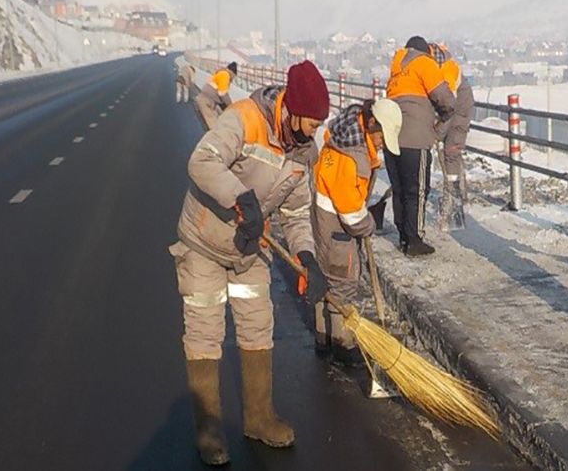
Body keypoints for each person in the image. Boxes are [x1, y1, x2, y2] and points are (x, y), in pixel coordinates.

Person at [169, 60, 330, 466]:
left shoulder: (303, 153)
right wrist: (241, 197)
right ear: (292, 110)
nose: (314, 133)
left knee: (258, 325)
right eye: (311, 123)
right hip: (204, 241)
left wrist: (307, 256)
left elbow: (295, 214)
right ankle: (208, 430)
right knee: (205, 330)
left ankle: (259, 417)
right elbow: (201, 162)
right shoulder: (243, 118)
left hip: (249, 248)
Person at [311, 98, 402, 366]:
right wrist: (368, 224)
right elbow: (351, 214)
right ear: (373, 125)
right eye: (383, 138)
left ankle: (323, 338)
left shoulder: (345, 137)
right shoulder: (354, 158)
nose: (384, 144)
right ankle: (342, 345)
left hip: (323, 217)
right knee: (343, 282)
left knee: (324, 278)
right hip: (337, 226)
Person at [385, 36, 456, 256]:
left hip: (391, 137)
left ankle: (404, 237)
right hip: (416, 138)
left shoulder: (396, 69)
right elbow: (446, 100)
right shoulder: (424, 63)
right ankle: (415, 239)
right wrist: (441, 122)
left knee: (400, 189)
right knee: (417, 189)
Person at [430, 43, 474, 231]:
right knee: (448, 153)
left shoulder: (448, 71)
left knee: (451, 152)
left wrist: (436, 133)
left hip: (460, 109)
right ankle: (457, 197)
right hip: (453, 107)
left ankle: (455, 206)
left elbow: (449, 108)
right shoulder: (436, 68)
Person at [195, 61, 238, 129]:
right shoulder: (225, 75)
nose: (233, 79)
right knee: (214, 127)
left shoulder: (221, 73)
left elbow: (222, 92)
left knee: (216, 121)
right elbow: (223, 94)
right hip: (206, 102)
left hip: (207, 100)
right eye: (234, 76)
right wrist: (231, 106)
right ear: (233, 73)